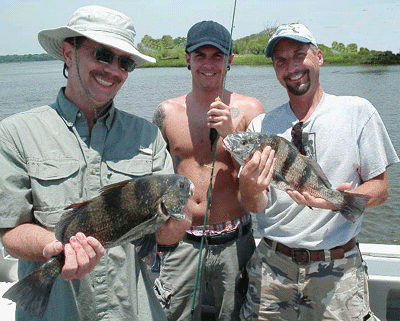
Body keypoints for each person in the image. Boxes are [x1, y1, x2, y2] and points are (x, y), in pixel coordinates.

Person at [0, 5, 190, 321]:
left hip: (133, 310)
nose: (113, 69)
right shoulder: (15, 133)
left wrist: (179, 222)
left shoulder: (148, 136)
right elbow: (9, 231)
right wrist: (55, 247)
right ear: (68, 53)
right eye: (102, 55)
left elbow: (163, 237)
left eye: (125, 62)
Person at [237, 23, 400, 321]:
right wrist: (248, 189)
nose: (292, 67)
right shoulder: (260, 127)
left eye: (299, 55)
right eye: (281, 61)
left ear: (319, 57)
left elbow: (381, 189)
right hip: (273, 266)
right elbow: (254, 206)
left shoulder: (357, 111)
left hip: (338, 270)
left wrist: (338, 199)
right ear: (275, 70)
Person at [152, 20, 264, 320]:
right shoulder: (166, 113)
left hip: (235, 242)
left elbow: (263, 176)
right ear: (187, 59)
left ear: (230, 60)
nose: (208, 64)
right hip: (181, 242)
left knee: (234, 315)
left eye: (217, 56)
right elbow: (154, 179)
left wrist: (231, 135)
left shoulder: (251, 109)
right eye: (200, 55)